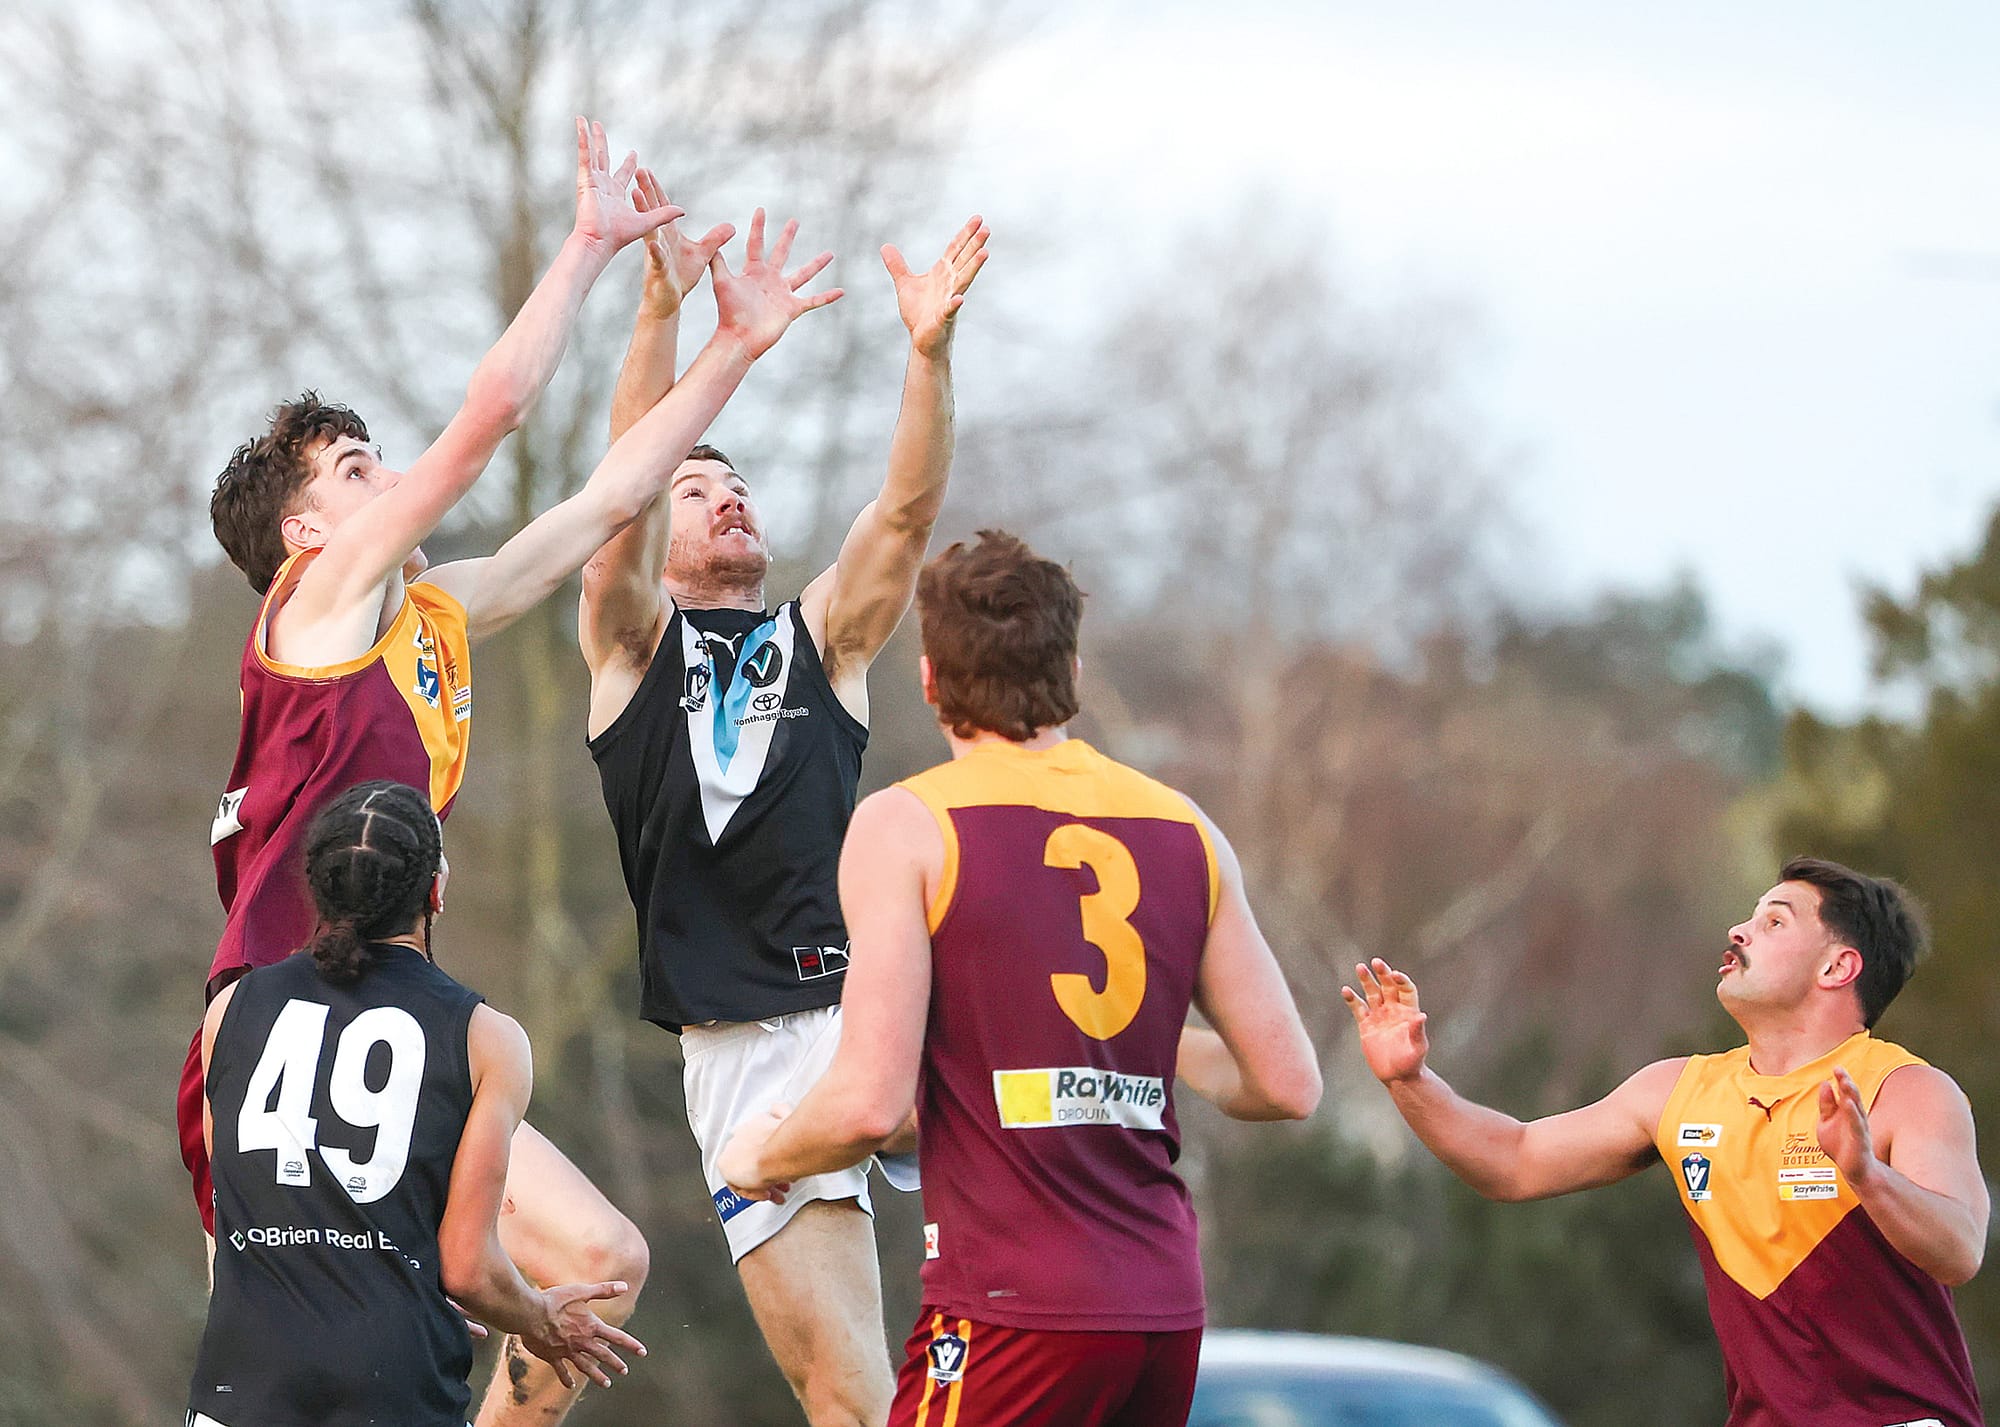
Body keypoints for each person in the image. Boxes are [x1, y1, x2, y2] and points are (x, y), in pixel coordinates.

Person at [192, 118, 841, 1425]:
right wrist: (589, 244)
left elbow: (607, 505)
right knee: (283, 1377)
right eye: (358, 470)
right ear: (309, 532)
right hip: (274, 1038)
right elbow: (487, 421)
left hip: (390, 1014)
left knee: (599, 1261)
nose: (395, 483)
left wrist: (733, 348)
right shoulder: (319, 606)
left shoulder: (427, 615)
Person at [716, 530, 1322, 1427]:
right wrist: (1140, 1048)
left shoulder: (907, 826)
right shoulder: (1184, 827)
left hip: (1011, 1310)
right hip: (1162, 1310)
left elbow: (869, 1106)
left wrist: (760, 1157)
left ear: (929, 680)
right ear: (1070, 667)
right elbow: (1286, 1082)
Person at [577, 198, 989, 1423]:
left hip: (871, 1019)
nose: (726, 499)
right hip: (744, 1061)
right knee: (850, 1398)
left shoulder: (822, 645)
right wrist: (661, 314)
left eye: (739, 484)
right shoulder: (628, 650)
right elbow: (619, 491)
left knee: (1028, 1283)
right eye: (697, 487)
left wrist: (927, 354)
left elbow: (905, 516)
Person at [1343, 856, 1988, 1427]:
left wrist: (1867, 1175)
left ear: (1838, 966)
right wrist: (1410, 1081)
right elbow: (1512, 1162)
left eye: (1774, 922)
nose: (1739, 932)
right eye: (1748, 917)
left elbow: (1959, 1250)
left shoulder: (1908, 1091)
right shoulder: (1676, 1091)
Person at [189, 781, 645, 1427]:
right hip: (392, 1389)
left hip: (240, 1387)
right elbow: (468, 1268)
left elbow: (237, 1202)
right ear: (435, 888)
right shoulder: (487, 1037)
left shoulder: (232, 1008)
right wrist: (540, 1318)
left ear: (314, 886)